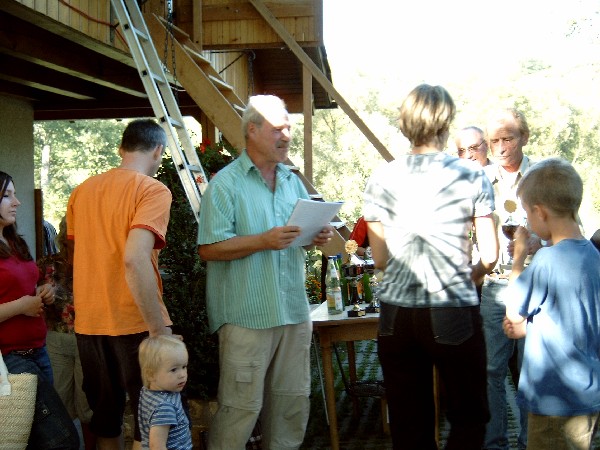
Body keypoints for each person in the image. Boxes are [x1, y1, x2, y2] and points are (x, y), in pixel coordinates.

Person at [363, 84, 499, 449]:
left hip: (396, 315)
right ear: (445, 121)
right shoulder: (472, 175)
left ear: (406, 123)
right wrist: (469, 277)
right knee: (469, 416)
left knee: (409, 423)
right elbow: (489, 255)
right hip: (452, 306)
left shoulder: (381, 178)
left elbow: (380, 259)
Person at [197, 94, 334, 450]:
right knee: (239, 410)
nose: (286, 135)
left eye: (288, 128)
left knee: (290, 406)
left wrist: (314, 237)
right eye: (277, 129)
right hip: (247, 316)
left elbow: (294, 240)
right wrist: (262, 241)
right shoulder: (226, 184)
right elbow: (208, 249)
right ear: (252, 131)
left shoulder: (292, 180)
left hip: (293, 312)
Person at [67, 119, 173, 450]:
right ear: (158, 151)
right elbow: (134, 259)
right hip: (135, 321)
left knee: (106, 419)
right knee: (152, 423)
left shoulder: (82, 191)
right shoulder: (153, 190)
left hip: (89, 322)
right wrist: (158, 330)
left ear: (121, 149)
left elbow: (82, 252)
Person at [502, 158, 600, 449]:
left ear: (540, 212)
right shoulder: (594, 255)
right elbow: (577, 318)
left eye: (527, 214)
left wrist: (518, 258)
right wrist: (532, 328)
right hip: (587, 393)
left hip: (553, 397)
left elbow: (512, 312)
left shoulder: (546, 260)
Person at [0, 171, 80, 450]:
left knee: (34, 439)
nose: (17, 202)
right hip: (10, 357)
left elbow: (21, 288)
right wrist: (23, 305)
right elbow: (18, 301)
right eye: (7, 195)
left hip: (38, 351)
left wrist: (41, 293)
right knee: (63, 439)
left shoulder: (14, 243)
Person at [481, 107, 539, 450]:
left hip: (535, 282)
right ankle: (494, 444)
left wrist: (539, 242)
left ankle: (530, 443)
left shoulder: (543, 176)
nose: (501, 147)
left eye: (508, 138)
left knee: (532, 370)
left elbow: (569, 229)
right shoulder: (479, 180)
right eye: (494, 141)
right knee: (490, 370)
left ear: (524, 137)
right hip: (494, 285)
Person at [37, 216, 96, 450]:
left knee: (88, 403)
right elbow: (31, 294)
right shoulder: (47, 264)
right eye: (70, 228)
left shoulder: (96, 261)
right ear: (63, 232)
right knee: (60, 401)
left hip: (89, 337)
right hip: (56, 338)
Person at [138, 335, 192, 450]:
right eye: (174, 369)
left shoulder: (147, 391)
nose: (182, 375)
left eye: (184, 367)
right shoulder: (164, 407)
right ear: (151, 374)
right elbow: (157, 446)